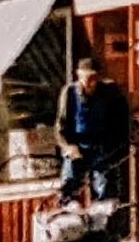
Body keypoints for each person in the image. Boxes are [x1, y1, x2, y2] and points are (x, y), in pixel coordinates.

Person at [55, 56, 129, 208]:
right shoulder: (69, 93)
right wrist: (69, 147)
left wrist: (112, 147)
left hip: (102, 145)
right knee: (70, 176)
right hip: (77, 144)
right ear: (78, 75)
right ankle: (68, 206)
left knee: (104, 180)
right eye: (86, 78)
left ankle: (104, 214)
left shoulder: (109, 92)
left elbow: (121, 122)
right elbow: (60, 127)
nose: (89, 83)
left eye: (93, 78)